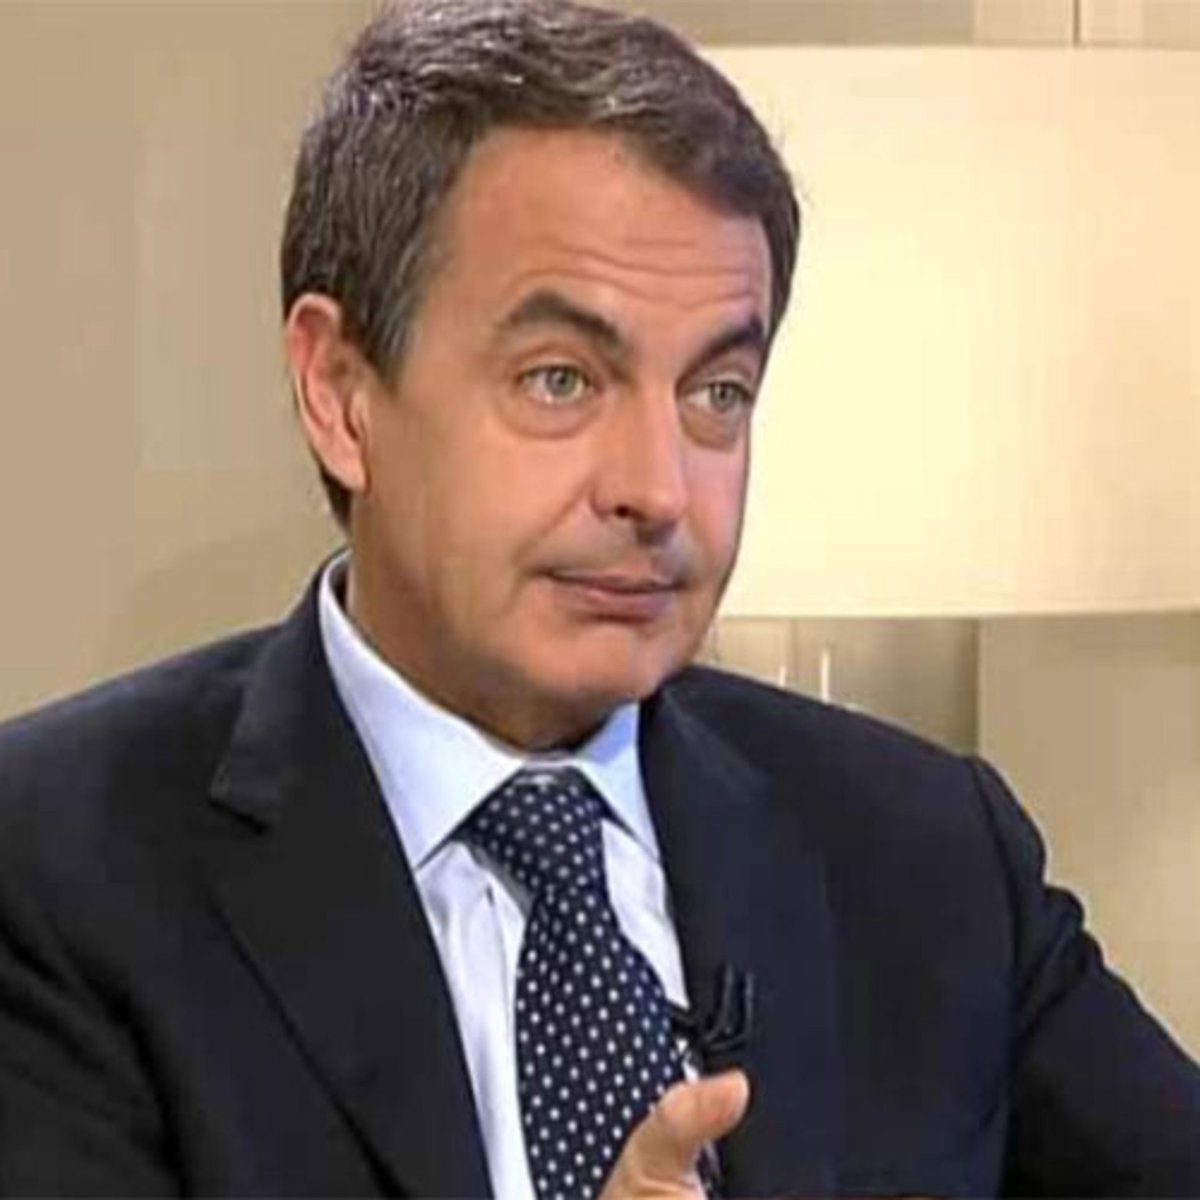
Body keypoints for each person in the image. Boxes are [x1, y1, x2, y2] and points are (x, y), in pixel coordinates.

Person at [1, 0, 1198, 1195]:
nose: (658, 490)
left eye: (717, 394)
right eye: (561, 380)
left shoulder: (928, 857)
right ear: (341, 393)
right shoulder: (57, 867)